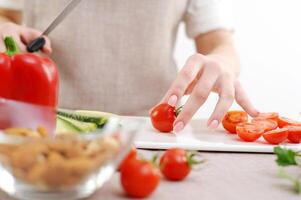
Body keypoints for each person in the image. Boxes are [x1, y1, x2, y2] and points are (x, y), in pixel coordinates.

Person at [0, 0, 258, 132]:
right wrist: (4, 28)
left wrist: (221, 63)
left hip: (148, 133)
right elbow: (7, 15)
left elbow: (220, 43)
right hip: (44, 130)